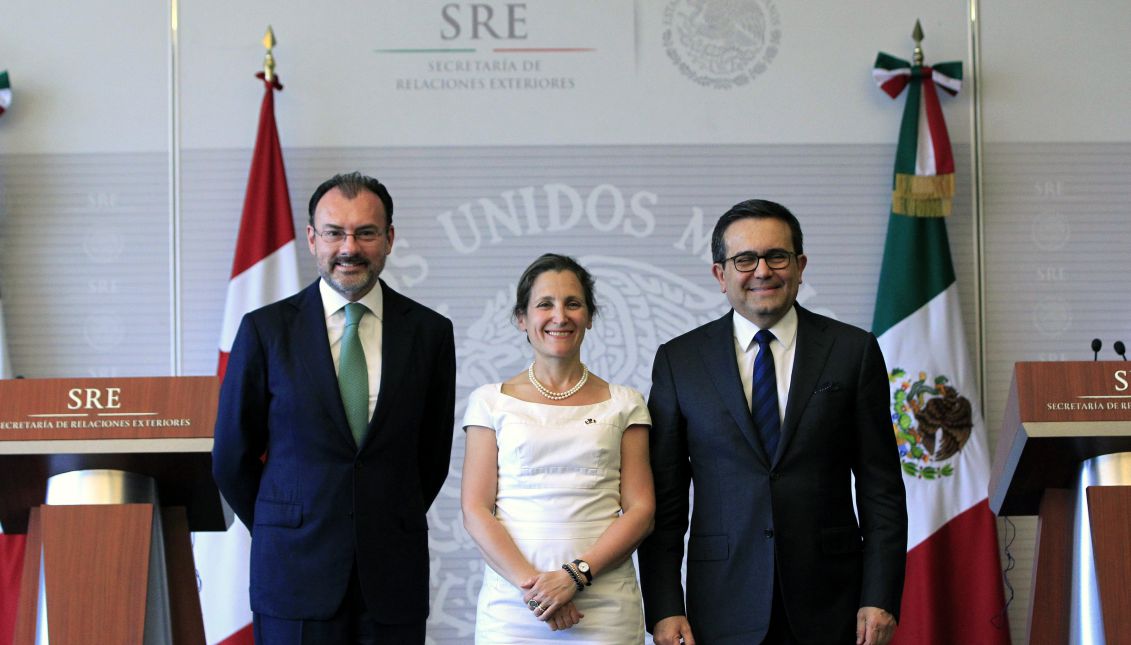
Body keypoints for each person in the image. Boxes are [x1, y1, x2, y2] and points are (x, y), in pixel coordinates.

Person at [638, 199, 907, 645]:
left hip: (835, 603)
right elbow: (665, 502)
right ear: (720, 276)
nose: (762, 271)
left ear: (800, 266)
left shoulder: (852, 351)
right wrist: (665, 607)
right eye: (744, 259)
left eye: (776, 256)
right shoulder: (679, 361)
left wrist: (880, 596)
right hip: (722, 604)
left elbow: (882, 489)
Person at [212, 171, 456, 644]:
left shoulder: (429, 333)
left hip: (392, 578)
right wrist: (285, 522)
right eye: (334, 233)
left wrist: (377, 515)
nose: (349, 247)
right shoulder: (265, 331)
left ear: (388, 239)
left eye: (365, 233)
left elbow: (431, 457)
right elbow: (231, 458)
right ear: (311, 239)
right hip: (293, 574)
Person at [461, 253, 655, 644]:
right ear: (522, 318)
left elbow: (641, 510)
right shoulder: (489, 401)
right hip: (514, 608)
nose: (559, 316)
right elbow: (476, 509)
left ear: (589, 315)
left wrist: (574, 577)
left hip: (604, 609)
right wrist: (539, 592)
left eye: (573, 303)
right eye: (545, 304)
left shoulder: (625, 402)